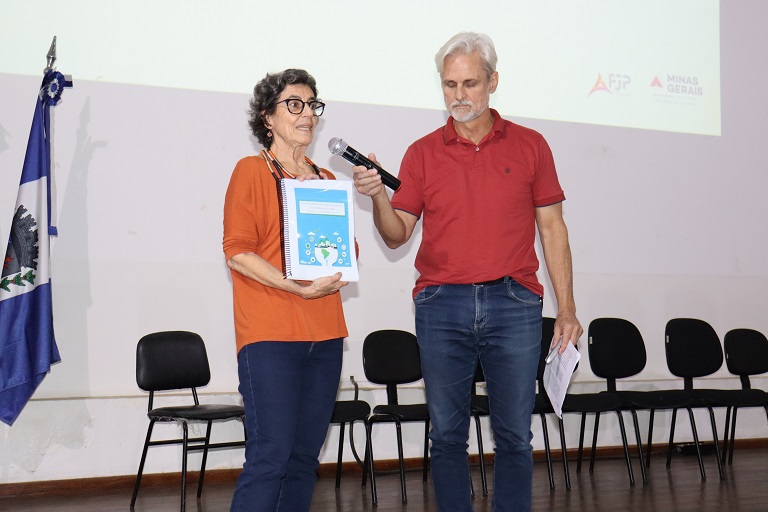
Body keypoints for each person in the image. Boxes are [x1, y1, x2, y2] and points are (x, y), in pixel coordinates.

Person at [352, 32, 583, 512]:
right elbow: (396, 235)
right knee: (447, 435)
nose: (458, 95)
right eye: (449, 84)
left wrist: (567, 309)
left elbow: (553, 228)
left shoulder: (531, 145)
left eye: (470, 83)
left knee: (515, 435)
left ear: (493, 82)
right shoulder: (421, 152)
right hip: (441, 304)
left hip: (514, 302)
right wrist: (377, 197)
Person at [223, 68, 349, 512]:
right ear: (267, 117)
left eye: (312, 105)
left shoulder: (326, 179)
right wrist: (295, 287)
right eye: (294, 104)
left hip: (325, 334)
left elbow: (345, 254)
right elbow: (238, 252)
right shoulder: (251, 171)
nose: (307, 114)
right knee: (270, 457)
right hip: (270, 334)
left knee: (303, 460)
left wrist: (324, 209)